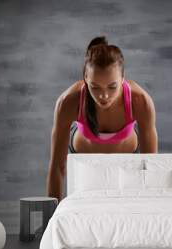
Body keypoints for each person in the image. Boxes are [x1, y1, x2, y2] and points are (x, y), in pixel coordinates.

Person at [47, 36, 158, 201]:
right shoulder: (68, 102)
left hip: (126, 166)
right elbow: (57, 167)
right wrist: (51, 217)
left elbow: (151, 166)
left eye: (112, 86)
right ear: (85, 77)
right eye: (95, 87)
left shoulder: (140, 101)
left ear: (123, 77)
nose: (104, 96)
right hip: (84, 164)